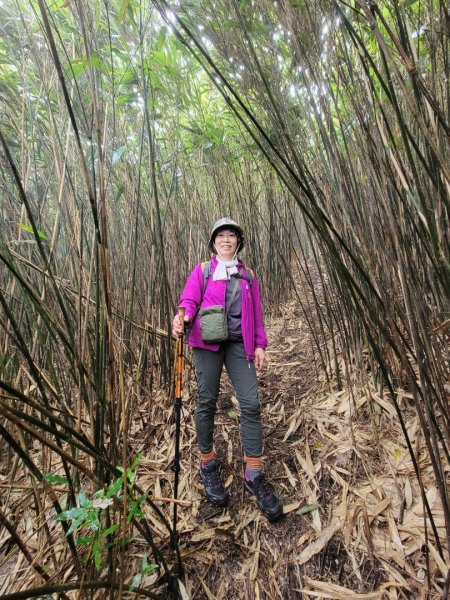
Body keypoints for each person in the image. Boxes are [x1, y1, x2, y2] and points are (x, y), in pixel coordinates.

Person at [172, 218, 283, 521]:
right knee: (207, 401)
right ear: (213, 242)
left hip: (238, 345)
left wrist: (260, 344)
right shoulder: (203, 271)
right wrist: (181, 318)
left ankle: (254, 474)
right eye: (220, 235)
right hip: (206, 344)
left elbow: (256, 312)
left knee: (250, 403)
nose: (225, 239)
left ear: (238, 242)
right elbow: (189, 300)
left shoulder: (248, 276)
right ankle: (207, 464)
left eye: (231, 235)